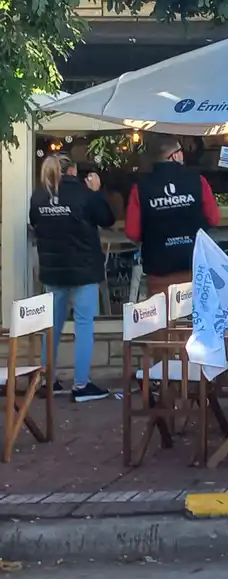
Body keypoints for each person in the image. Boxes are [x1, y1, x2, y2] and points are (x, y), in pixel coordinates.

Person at [28, 155, 115, 402]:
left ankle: (47, 381)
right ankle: (81, 385)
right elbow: (107, 219)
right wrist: (97, 192)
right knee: (84, 326)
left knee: (52, 328)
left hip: (53, 271)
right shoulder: (84, 195)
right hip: (83, 271)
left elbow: (35, 223)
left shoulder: (38, 196)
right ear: (73, 170)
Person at [125, 135, 220, 295]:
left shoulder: (140, 188)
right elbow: (213, 218)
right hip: (194, 264)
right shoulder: (197, 181)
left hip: (159, 268)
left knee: (163, 317)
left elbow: (132, 231)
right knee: (197, 315)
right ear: (174, 155)